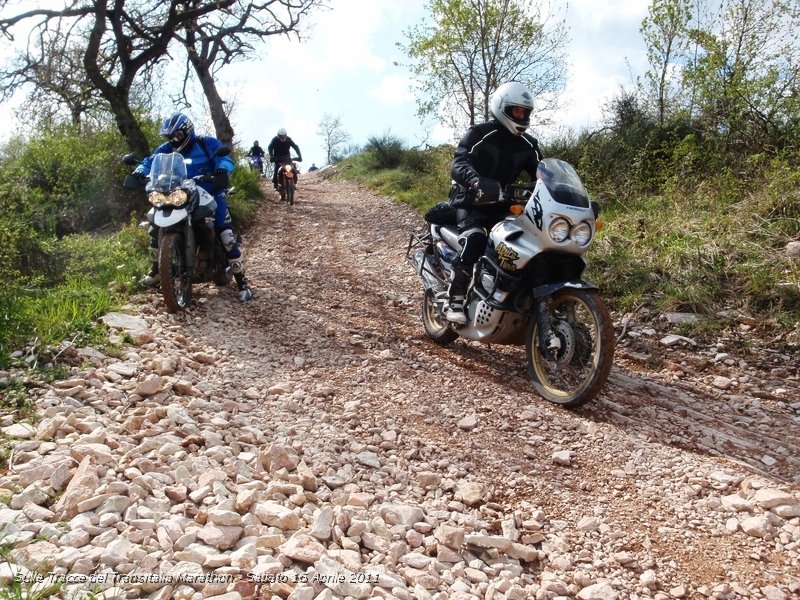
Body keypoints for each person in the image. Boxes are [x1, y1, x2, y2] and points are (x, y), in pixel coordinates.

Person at [445, 82, 542, 324]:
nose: (521, 116)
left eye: (525, 112)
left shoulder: (529, 145)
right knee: (476, 238)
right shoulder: (480, 133)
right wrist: (476, 181)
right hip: (471, 202)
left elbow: (543, 173)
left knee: (526, 245)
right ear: (502, 108)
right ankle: (455, 298)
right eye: (516, 111)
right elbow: (459, 163)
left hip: (504, 206)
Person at [132, 112, 253, 301]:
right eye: (169, 136)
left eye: (176, 135)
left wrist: (223, 168)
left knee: (225, 233)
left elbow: (225, 158)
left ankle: (241, 282)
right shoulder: (166, 149)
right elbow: (150, 161)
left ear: (186, 132)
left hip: (210, 192)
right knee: (154, 224)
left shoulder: (206, 143)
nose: (172, 140)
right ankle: (157, 270)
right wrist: (139, 171)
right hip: (178, 194)